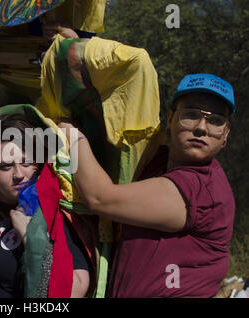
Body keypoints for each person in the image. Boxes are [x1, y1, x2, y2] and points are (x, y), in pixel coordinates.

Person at [58, 73, 236, 297]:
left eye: (216, 121)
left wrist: (72, 136)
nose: (202, 127)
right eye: (191, 115)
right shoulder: (157, 159)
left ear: (226, 134)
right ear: (170, 119)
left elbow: (100, 198)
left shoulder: (200, 188)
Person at [0, 112, 92, 298]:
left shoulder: (49, 213)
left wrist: (31, 238)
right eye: (5, 166)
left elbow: (77, 288)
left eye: (26, 162)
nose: (18, 174)